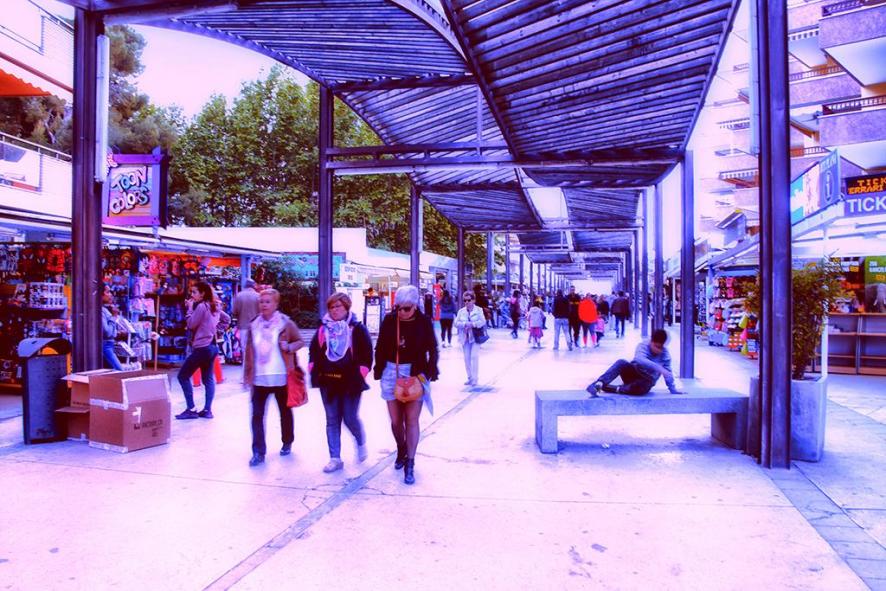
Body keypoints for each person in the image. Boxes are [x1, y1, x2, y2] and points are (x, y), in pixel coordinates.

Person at [374, 285, 439, 485]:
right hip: (391, 372)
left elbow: (432, 347)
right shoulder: (389, 320)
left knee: (411, 420)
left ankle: (410, 462)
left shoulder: (423, 322)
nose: (402, 312)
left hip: (414, 373)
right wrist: (377, 368)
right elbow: (380, 346)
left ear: (415, 306)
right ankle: (401, 447)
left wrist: (430, 370)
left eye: (406, 308)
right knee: (396, 421)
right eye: (398, 308)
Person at [309, 292, 372, 473]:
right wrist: (313, 368)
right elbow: (314, 351)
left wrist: (361, 373)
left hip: (351, 381)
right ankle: (335, 458)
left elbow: (367, 354)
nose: (334, 310)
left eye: (338, 306)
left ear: (346, 307)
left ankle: (360, 441)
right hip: (328, 380)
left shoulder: (357, 328)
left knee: (350, 417)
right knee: (332, 419)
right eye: (331, 307)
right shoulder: (323, 329)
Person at [243, 289, 304, 466]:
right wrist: (247, 374)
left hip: (281, 377)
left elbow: (299, 341)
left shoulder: (285, 323)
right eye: (261, 302)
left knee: (285, 413)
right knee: (256, 415)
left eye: (268, 302)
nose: (264, 305)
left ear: (276, 304)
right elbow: (249, 351)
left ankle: (287, 441)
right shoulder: (254, 324)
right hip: (259, 378)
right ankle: (258, 452)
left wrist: (289, 347)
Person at [176, 281, 231, 420]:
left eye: (194, 292)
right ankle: (207, 410)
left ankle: (191, 409)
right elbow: (227, 319)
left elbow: (191, 324)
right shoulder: (214, 305)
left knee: (183, 376)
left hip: (201, 347)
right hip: (212, 346)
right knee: (208, 378)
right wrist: (216, 330)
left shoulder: (201, 306)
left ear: (202, 293)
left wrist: (189, 309)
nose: (192, 295)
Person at [587, 329, 684, 396]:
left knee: (642, 388)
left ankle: (615, 389)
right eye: (656, 346)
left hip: (646, 380)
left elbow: (668, 372)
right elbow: (639, 359)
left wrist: (673, 389)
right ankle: (598, 384)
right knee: (621, 362)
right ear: (651, 341)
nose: (658, 350)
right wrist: (660, 369)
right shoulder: (643, 345)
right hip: (634, 372)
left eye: (660, 347)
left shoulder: (665, 355)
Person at [455, 290, 486, 387]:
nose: (467, 302)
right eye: (465, 300)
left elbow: (483, 321)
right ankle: (470, 377)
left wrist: (473, 324)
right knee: (466, 358)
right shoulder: (461, 311)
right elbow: (456, 323)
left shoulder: (479, 310)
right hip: (465, 338)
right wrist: (464, 324)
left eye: (469, 300)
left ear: (473, 300)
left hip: (475, 337)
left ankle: (475, 379)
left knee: (474, 356)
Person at [101, 283, 124, 371]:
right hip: (106, 346)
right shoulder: (101, 311)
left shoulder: (105, 310)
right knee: (119, 370)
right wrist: (113, 317)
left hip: (109, 344)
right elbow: (107, 332)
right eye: (107, 292)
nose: (110, 295)